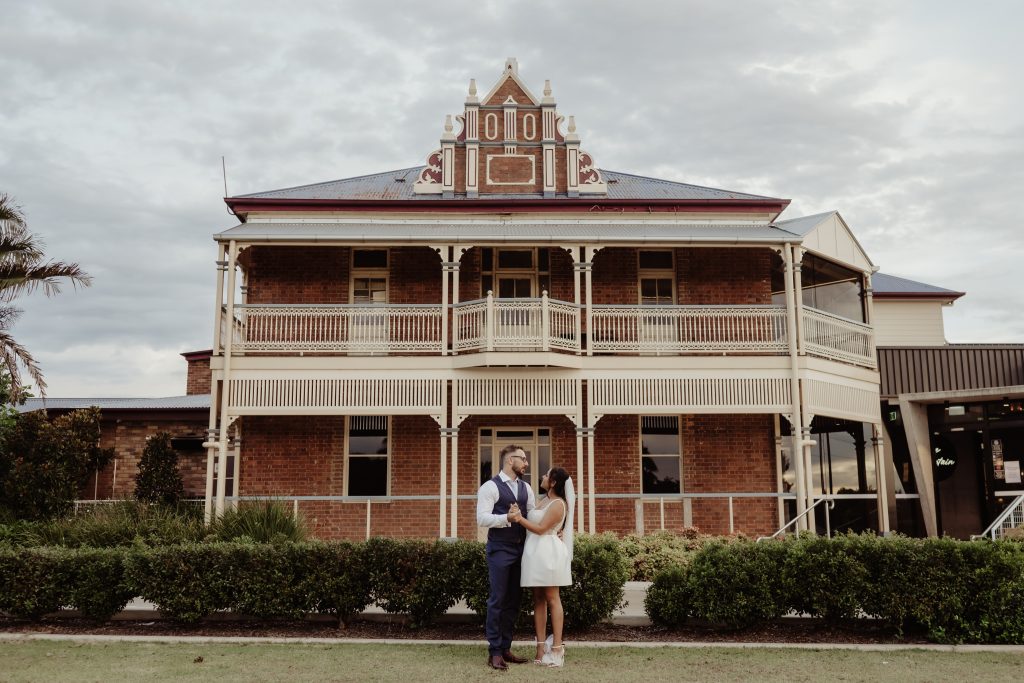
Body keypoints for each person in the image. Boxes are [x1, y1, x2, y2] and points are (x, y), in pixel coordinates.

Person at [476, 444, 536, 671]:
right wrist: (507, 518)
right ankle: (494, 652)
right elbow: (482, 518)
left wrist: (551, 529)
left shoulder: (526, 488)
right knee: (498, 600)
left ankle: (506, 647)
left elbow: (532, 515)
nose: (527, 463)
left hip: (522, 551)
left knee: (514, 601)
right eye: (523, 458)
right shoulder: (490, 487)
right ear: (511, 460)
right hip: (500, 549)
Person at [510, 467, 574, 668]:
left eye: (547, 475)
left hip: (548, 553)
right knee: (537, 599)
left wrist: (519, 519)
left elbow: (541, 528)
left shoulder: (558, 504)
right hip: (534, 553)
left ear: (554, 482)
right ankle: (539, 647)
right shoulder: (544, 500)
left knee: (552, 598)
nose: (543, 477)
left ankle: (556, 649)